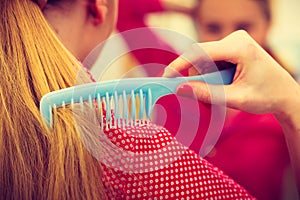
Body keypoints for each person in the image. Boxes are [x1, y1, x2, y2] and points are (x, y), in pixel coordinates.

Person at [0, 0, 254, 199]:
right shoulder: (173, 71)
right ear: (97, 6)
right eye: (212, 26)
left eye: (244, 27)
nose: (230, 38)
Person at [176, 0, 295, 199]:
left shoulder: (289, 101)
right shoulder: (172, 78)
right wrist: (188, 10)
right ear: (197, 25)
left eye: (244, 28)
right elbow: (123, 13)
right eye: (212, 27)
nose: (228, 42)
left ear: (268, 25)